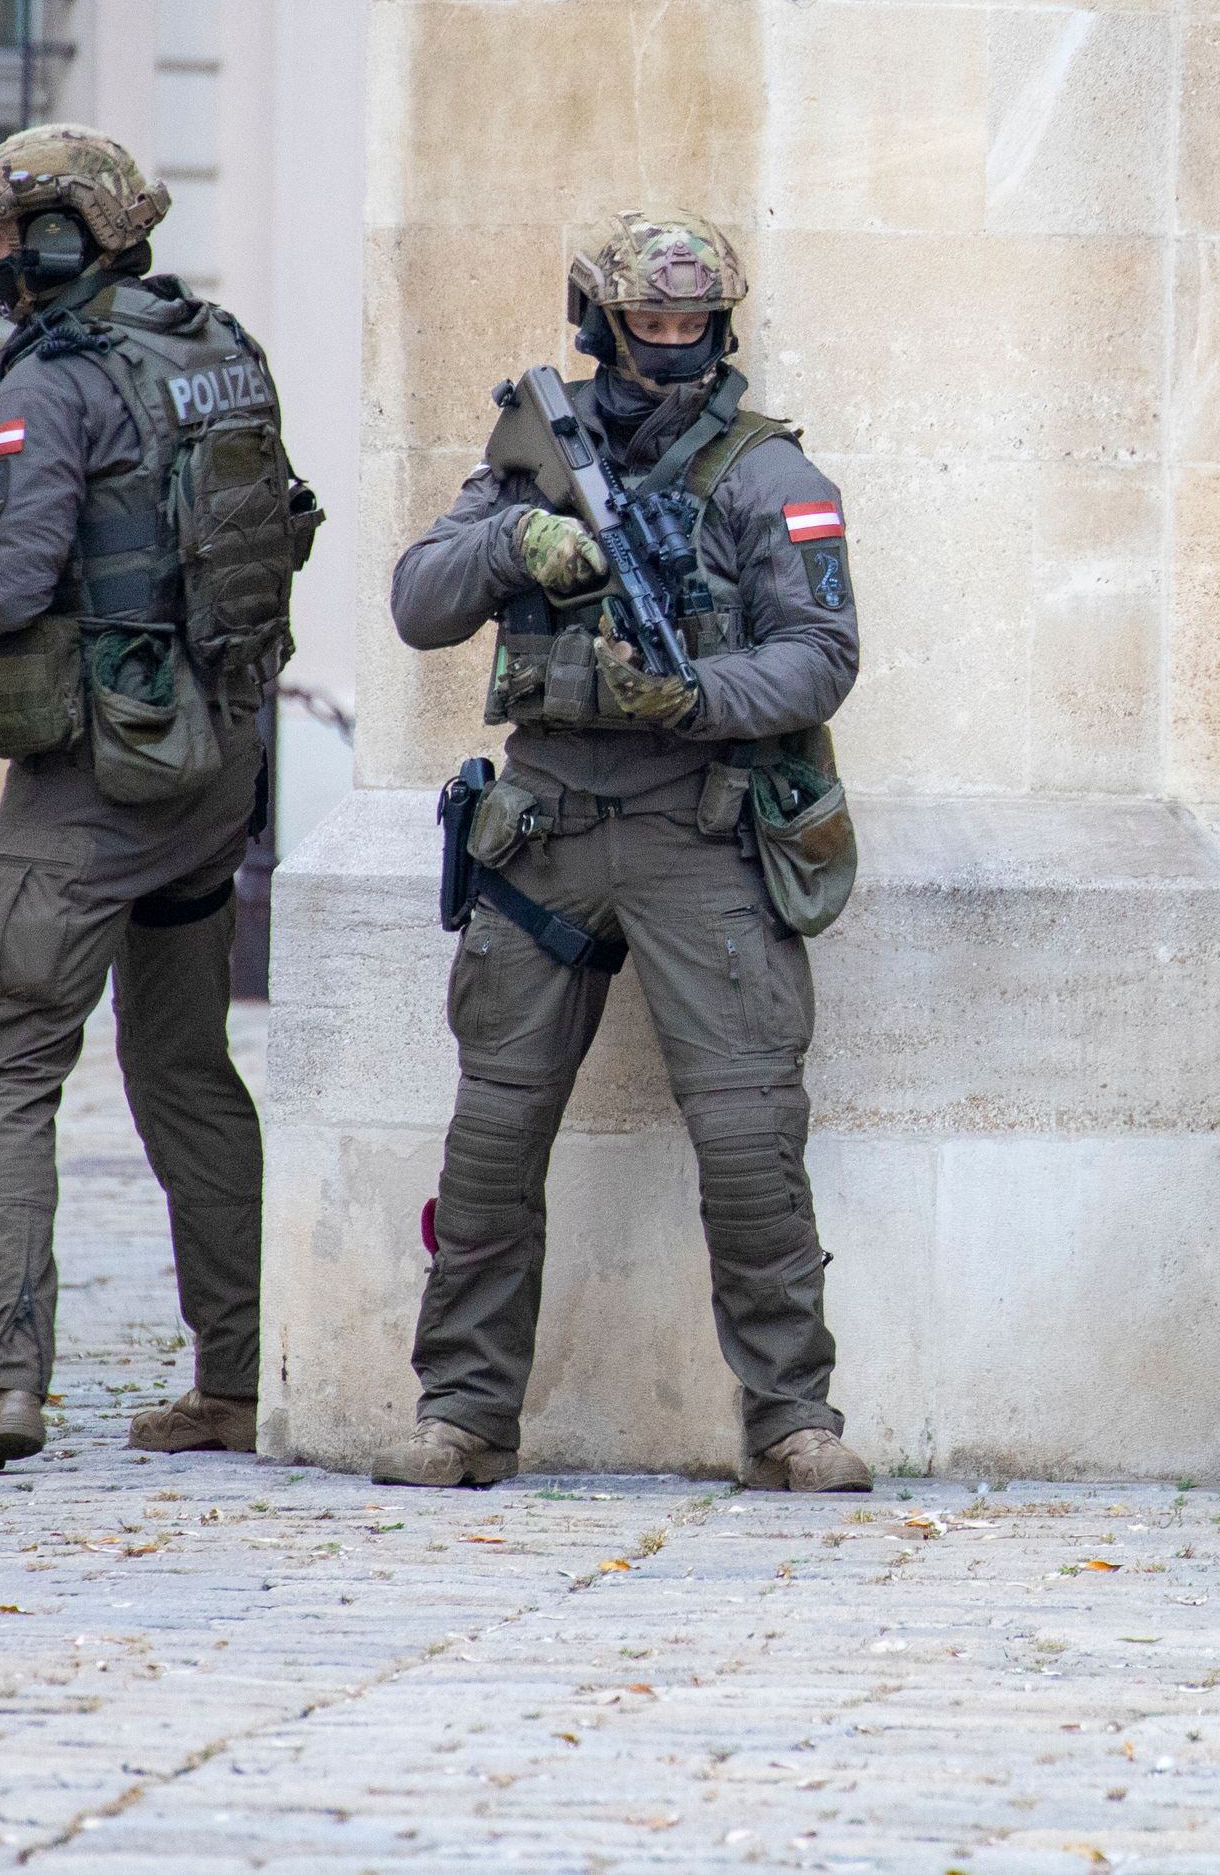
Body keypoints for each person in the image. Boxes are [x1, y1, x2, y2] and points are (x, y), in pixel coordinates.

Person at [373, 212, 872, 1494]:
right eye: (649, 326)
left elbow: (820, 659)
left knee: (751, 1138)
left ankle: (791, 1418)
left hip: (696, 831)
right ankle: (465, 1414)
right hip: (542, 829)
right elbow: (419, 601)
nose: (673, 348)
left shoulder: (772, 478)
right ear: (600, 326)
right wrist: (508, 541)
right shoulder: (536, 454)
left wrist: (688, 697)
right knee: (492, 1137)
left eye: (693, 326)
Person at [0, 123, 314, 1480]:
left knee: (7, 1066)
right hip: (217, 759)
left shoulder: (49, 381)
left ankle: (0, 1381)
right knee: (184, 1067)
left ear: (64, 234)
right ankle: (235, 1377)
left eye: (4, 236)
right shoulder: (215, 344)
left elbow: (3, 587)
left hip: (97, 779)